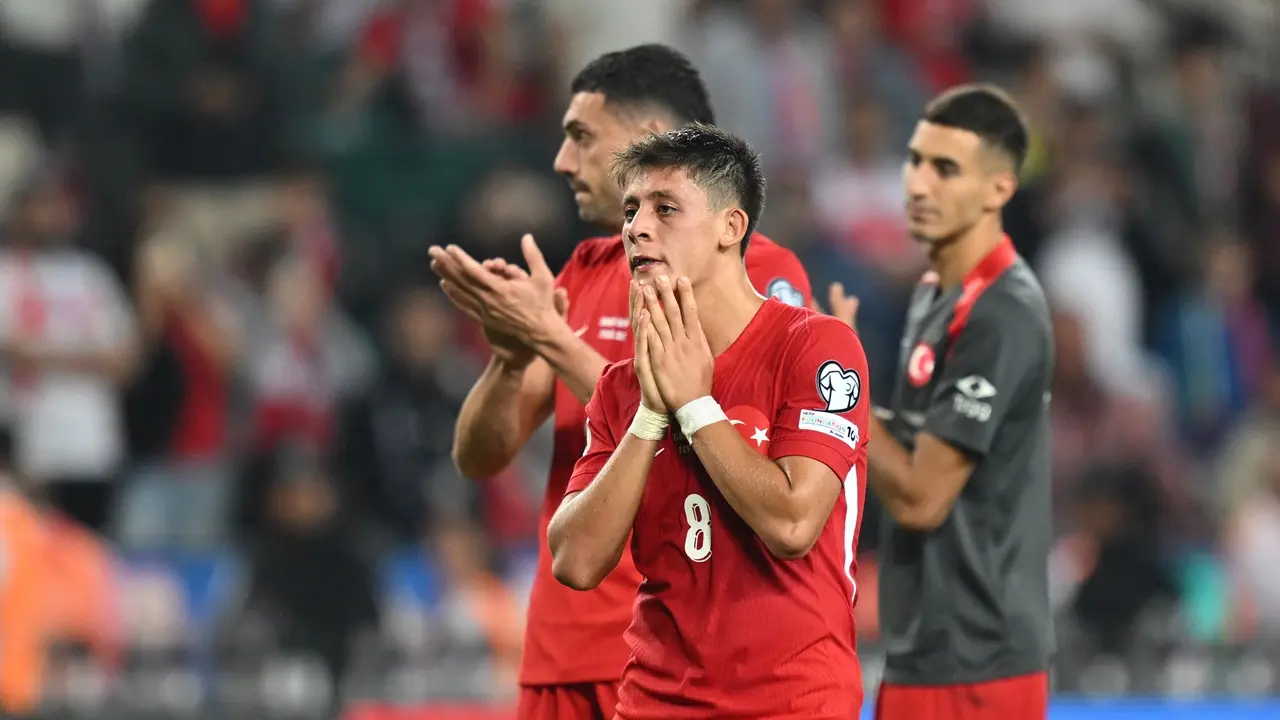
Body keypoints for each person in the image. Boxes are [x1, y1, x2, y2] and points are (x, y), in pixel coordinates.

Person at [429, 45, 812, 720]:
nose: (562, 161)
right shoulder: (582, 270)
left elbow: (708, 431)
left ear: (645, 141)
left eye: (581, 137)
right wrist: (511, 358)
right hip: (559, 645)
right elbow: (479, 457)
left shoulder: (755, 274)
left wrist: (551, 339)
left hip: (670, 650)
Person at [548, 124, 867, 718]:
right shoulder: (622, 386)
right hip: (655, 702)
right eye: (631, 210)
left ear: (731, 227)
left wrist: (695, 407)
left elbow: (794, 524)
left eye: (666, 208)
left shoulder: (817, 347)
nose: (637, 228)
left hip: (794, 702)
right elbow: (575, 562)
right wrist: (651, 414)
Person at [828, 84, 1053, 719]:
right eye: (915, 160)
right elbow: (908, 442)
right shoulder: (934, 292)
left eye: (945, 168)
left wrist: (839, 394)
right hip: (925, 647)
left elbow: (921, 497)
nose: (918, 184)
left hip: (977, 663)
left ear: (998, 189)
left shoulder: (1003, 312)